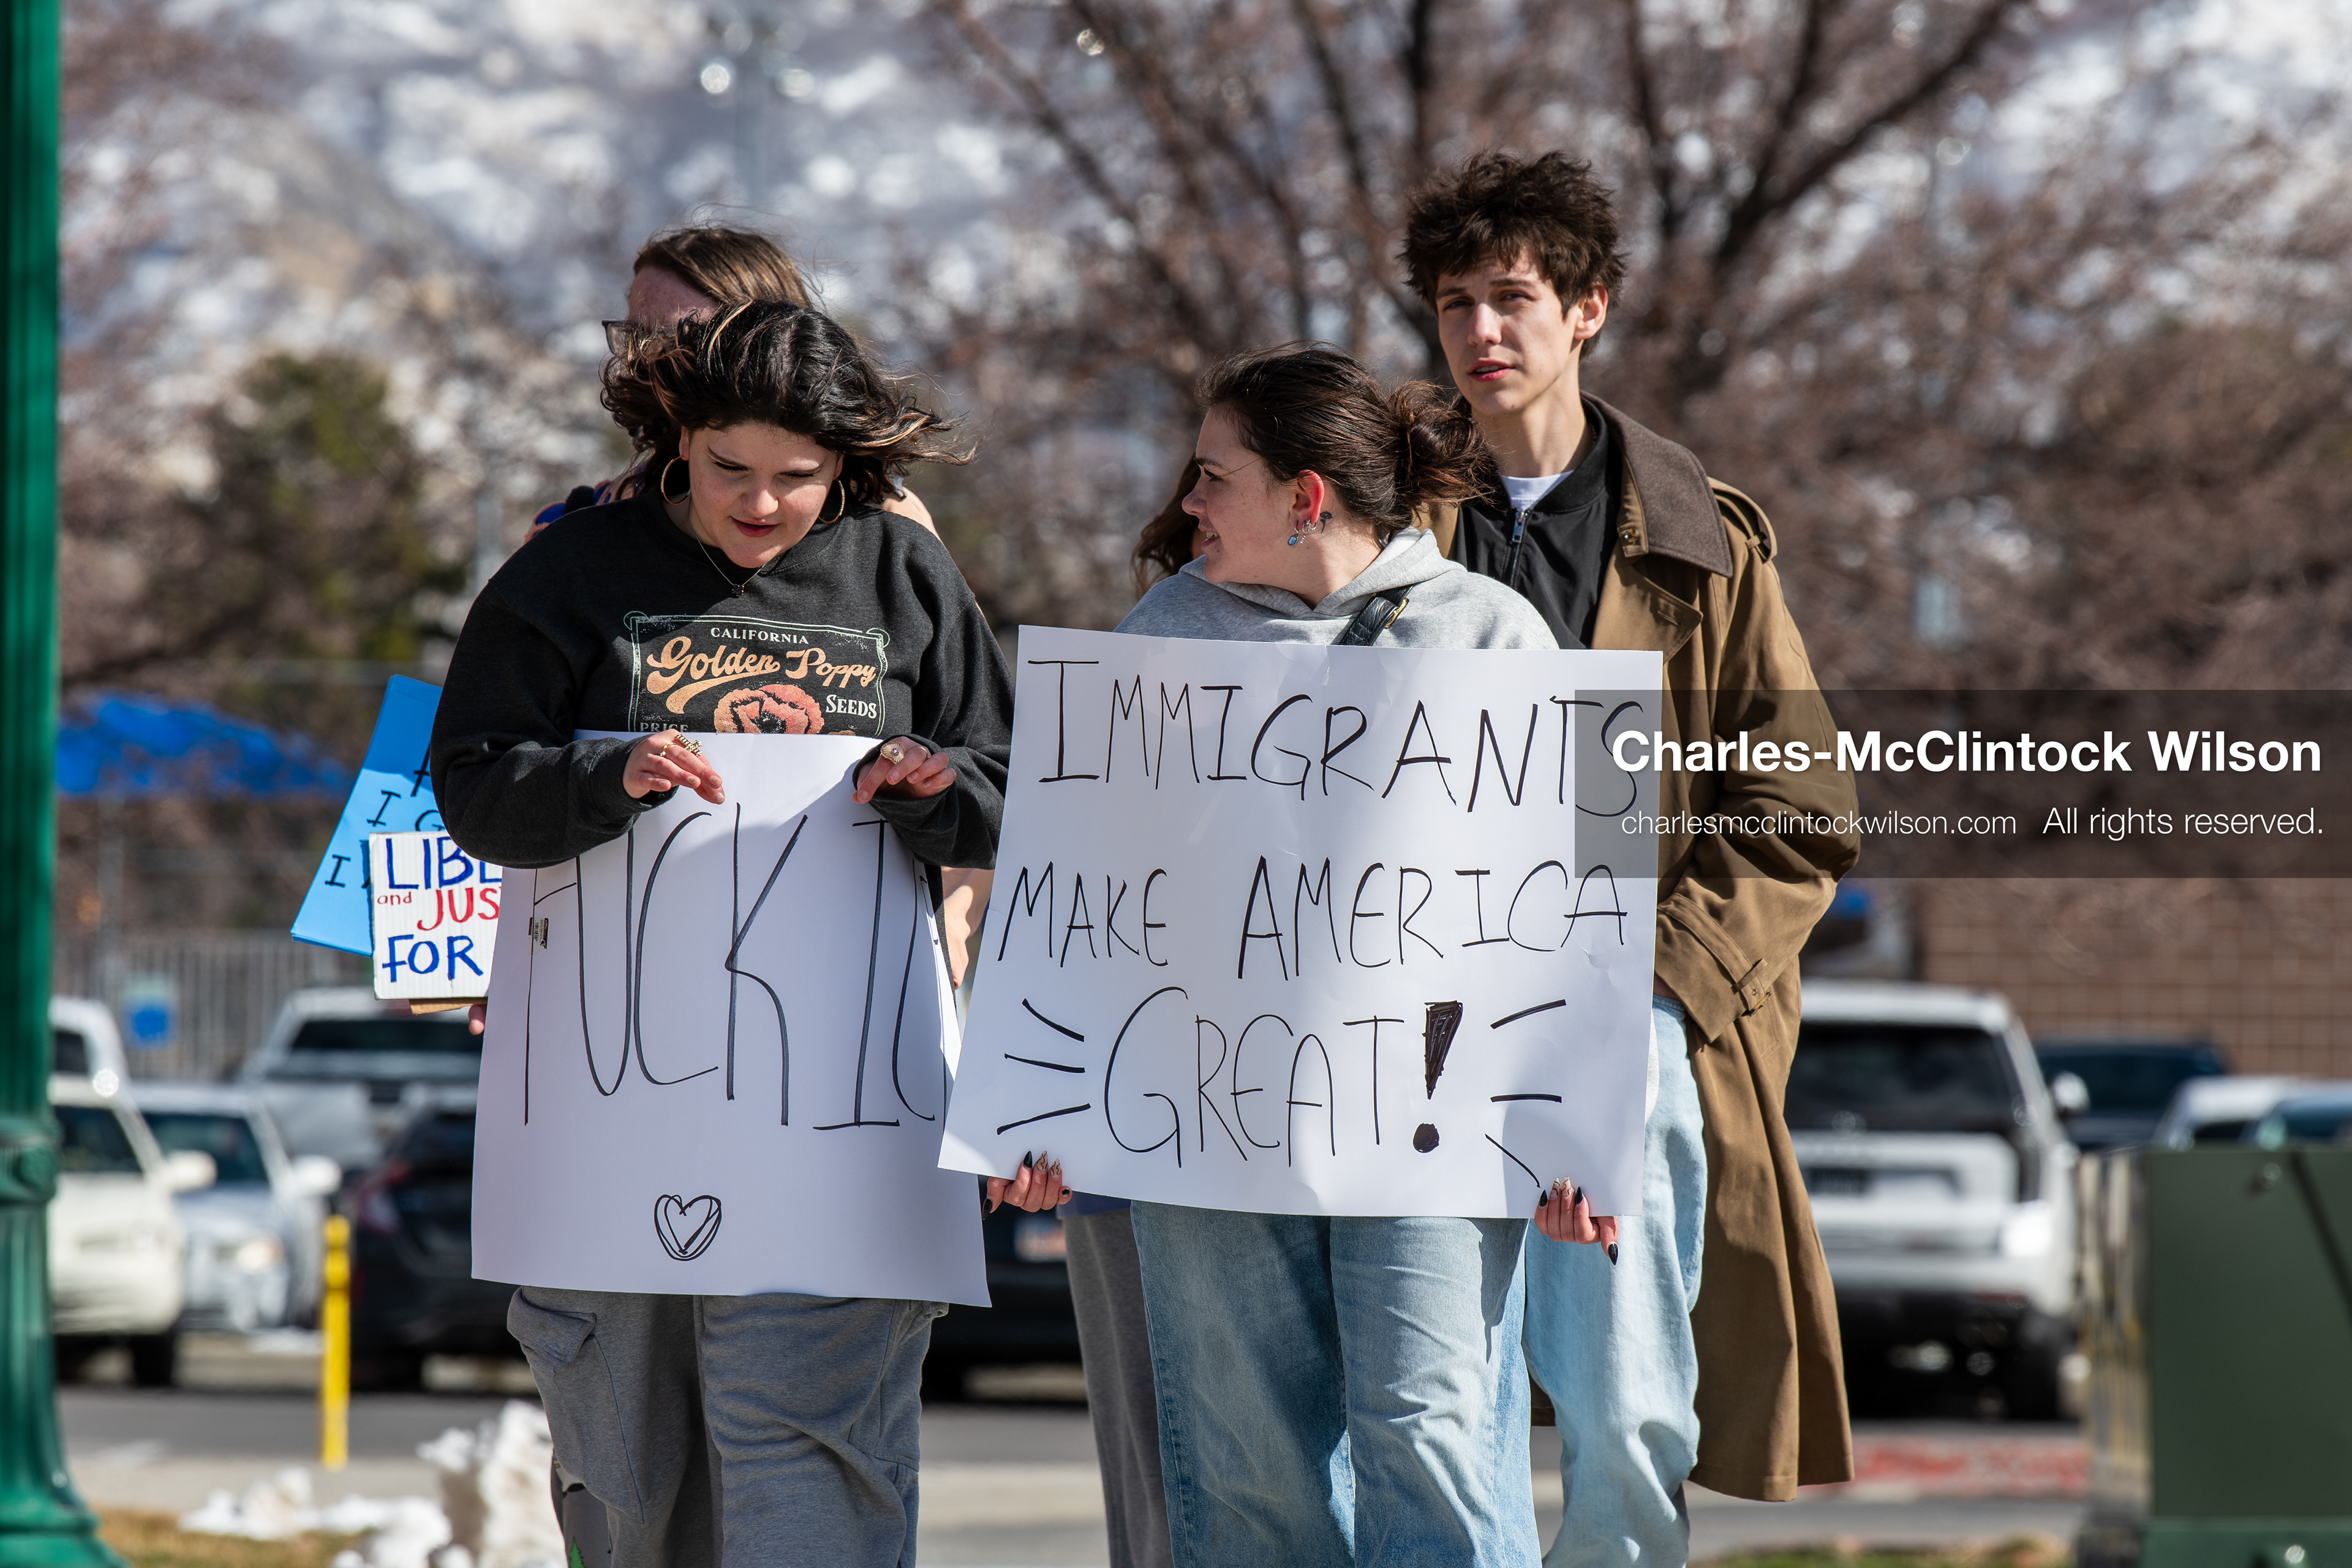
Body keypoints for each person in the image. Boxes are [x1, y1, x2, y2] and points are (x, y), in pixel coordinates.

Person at [431, 300, 1014, 1568]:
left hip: (837, 1128)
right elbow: (472, 786)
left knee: (814, 1470)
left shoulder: (903, 575)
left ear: (848, 465)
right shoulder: (570, 576)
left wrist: (936, 790)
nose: (762, 505)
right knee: (633, 1484)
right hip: (607, 1116)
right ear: (677, 440)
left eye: (798, 479)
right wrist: (604, 777)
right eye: (731, 469)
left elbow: (1013, 785)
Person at [1057, 342, 1616, 1568]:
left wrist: (1581, 1135)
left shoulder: (1494, 636)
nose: (1188, 502)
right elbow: (1086, 898)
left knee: (1429, 1431)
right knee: (1246, 1459)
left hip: (1432, 1123)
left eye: (1214, 476)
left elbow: (1575, 906)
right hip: (1211, 1123)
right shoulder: (1161, 636)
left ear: (1306, 496)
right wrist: (1040, 1115)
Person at [1398, 151, 1861, 1562]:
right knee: (1431, 1399)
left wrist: (1657, 992)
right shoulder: (1376, 517)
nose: (1483, 331)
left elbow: (1795, 809)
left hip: (1629, 1028)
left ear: (1589, 308)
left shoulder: (1709, 542)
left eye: (1515, 297)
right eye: (1455, 302)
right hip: (1411, 1019)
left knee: (1627, 1400)